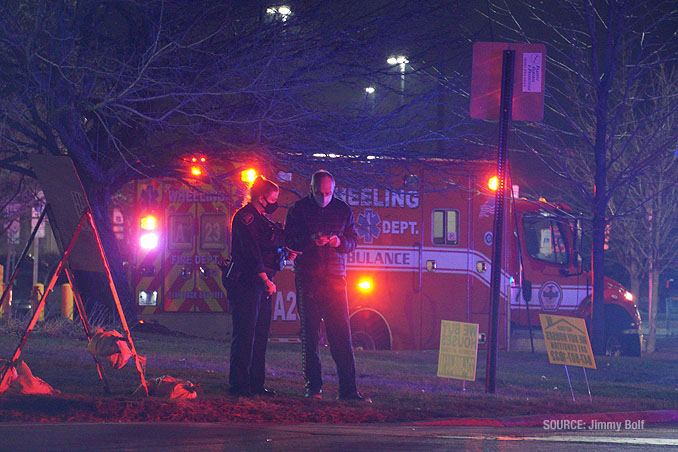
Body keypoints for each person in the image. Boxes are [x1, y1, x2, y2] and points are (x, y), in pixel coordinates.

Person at [285, 170, 370, 402]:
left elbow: (353, 241)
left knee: (341, 334)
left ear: (334, 189)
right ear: (311, 189)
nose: (324, 197)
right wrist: (310, 242)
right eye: (319, 193)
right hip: (308, 277)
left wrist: (338, 241)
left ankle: (349, 390)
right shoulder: (299, 209)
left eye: (328, 193)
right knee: (310, 335)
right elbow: (288, 241)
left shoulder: (342, 210)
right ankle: (313, 388)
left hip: (335, 278)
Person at [225, 176, 286, 397]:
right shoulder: (246, 218)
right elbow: (252, 253)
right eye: (273, 198)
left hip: (263, 285)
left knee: (260, 335)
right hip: (247, 283)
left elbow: (269, 247)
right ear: (262, 198)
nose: (275, 202)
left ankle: (256, 384)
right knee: (245, 335)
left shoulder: (262, 220)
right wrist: (265, 279)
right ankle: (240, 386)